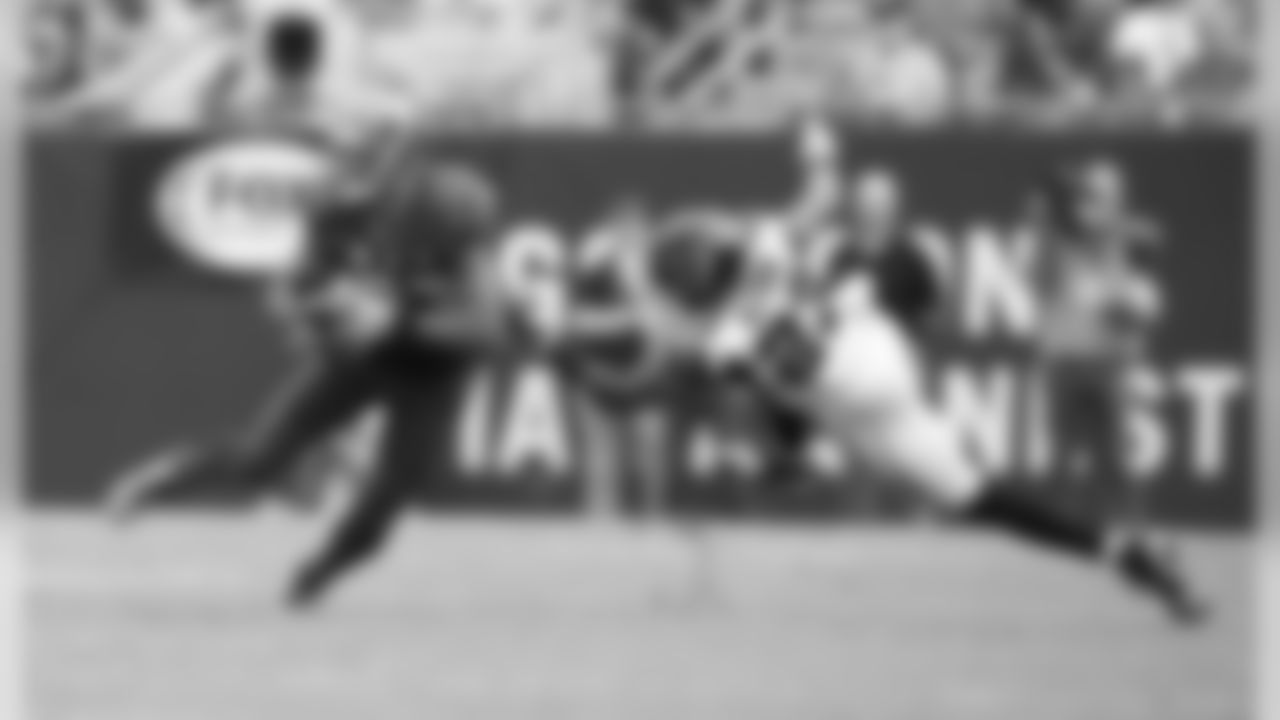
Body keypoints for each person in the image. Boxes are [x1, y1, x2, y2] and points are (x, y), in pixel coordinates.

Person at [631, 190, 1206, 625]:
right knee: (976, 497)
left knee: (785, 377)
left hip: (859, 379)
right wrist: (818, 170)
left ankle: (794, 452)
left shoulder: (726, 335)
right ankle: (1127, 554)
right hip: (877, 380)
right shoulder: (763, 256)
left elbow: (734, 356)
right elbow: (809, 214)